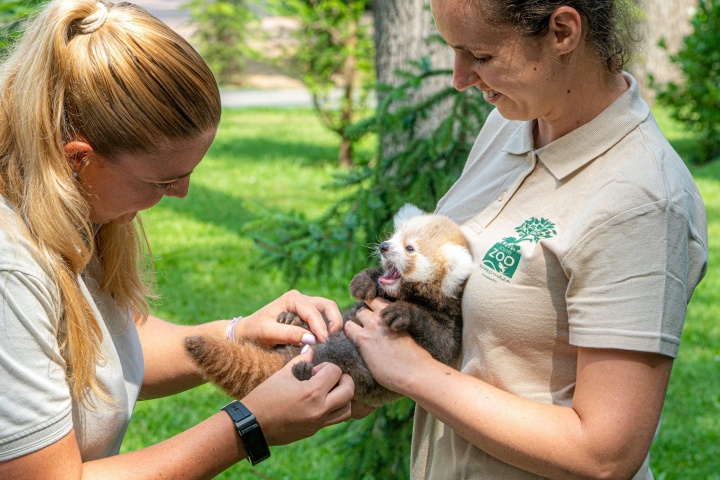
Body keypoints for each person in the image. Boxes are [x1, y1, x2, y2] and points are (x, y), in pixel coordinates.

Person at [344, 0, 708, 479]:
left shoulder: (641, 200)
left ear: (561, 31)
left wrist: (413, 373)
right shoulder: (512, 123)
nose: (460, 77)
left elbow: (604, 454)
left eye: (480, 55)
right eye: (453, 50)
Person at [0, 1, 355, 478]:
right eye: (163, 181)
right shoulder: (11, 269)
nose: (182, 193)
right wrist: (249, 426)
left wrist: (234, 335)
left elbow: (98, 344)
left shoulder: (65, 207)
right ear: (76, 159)